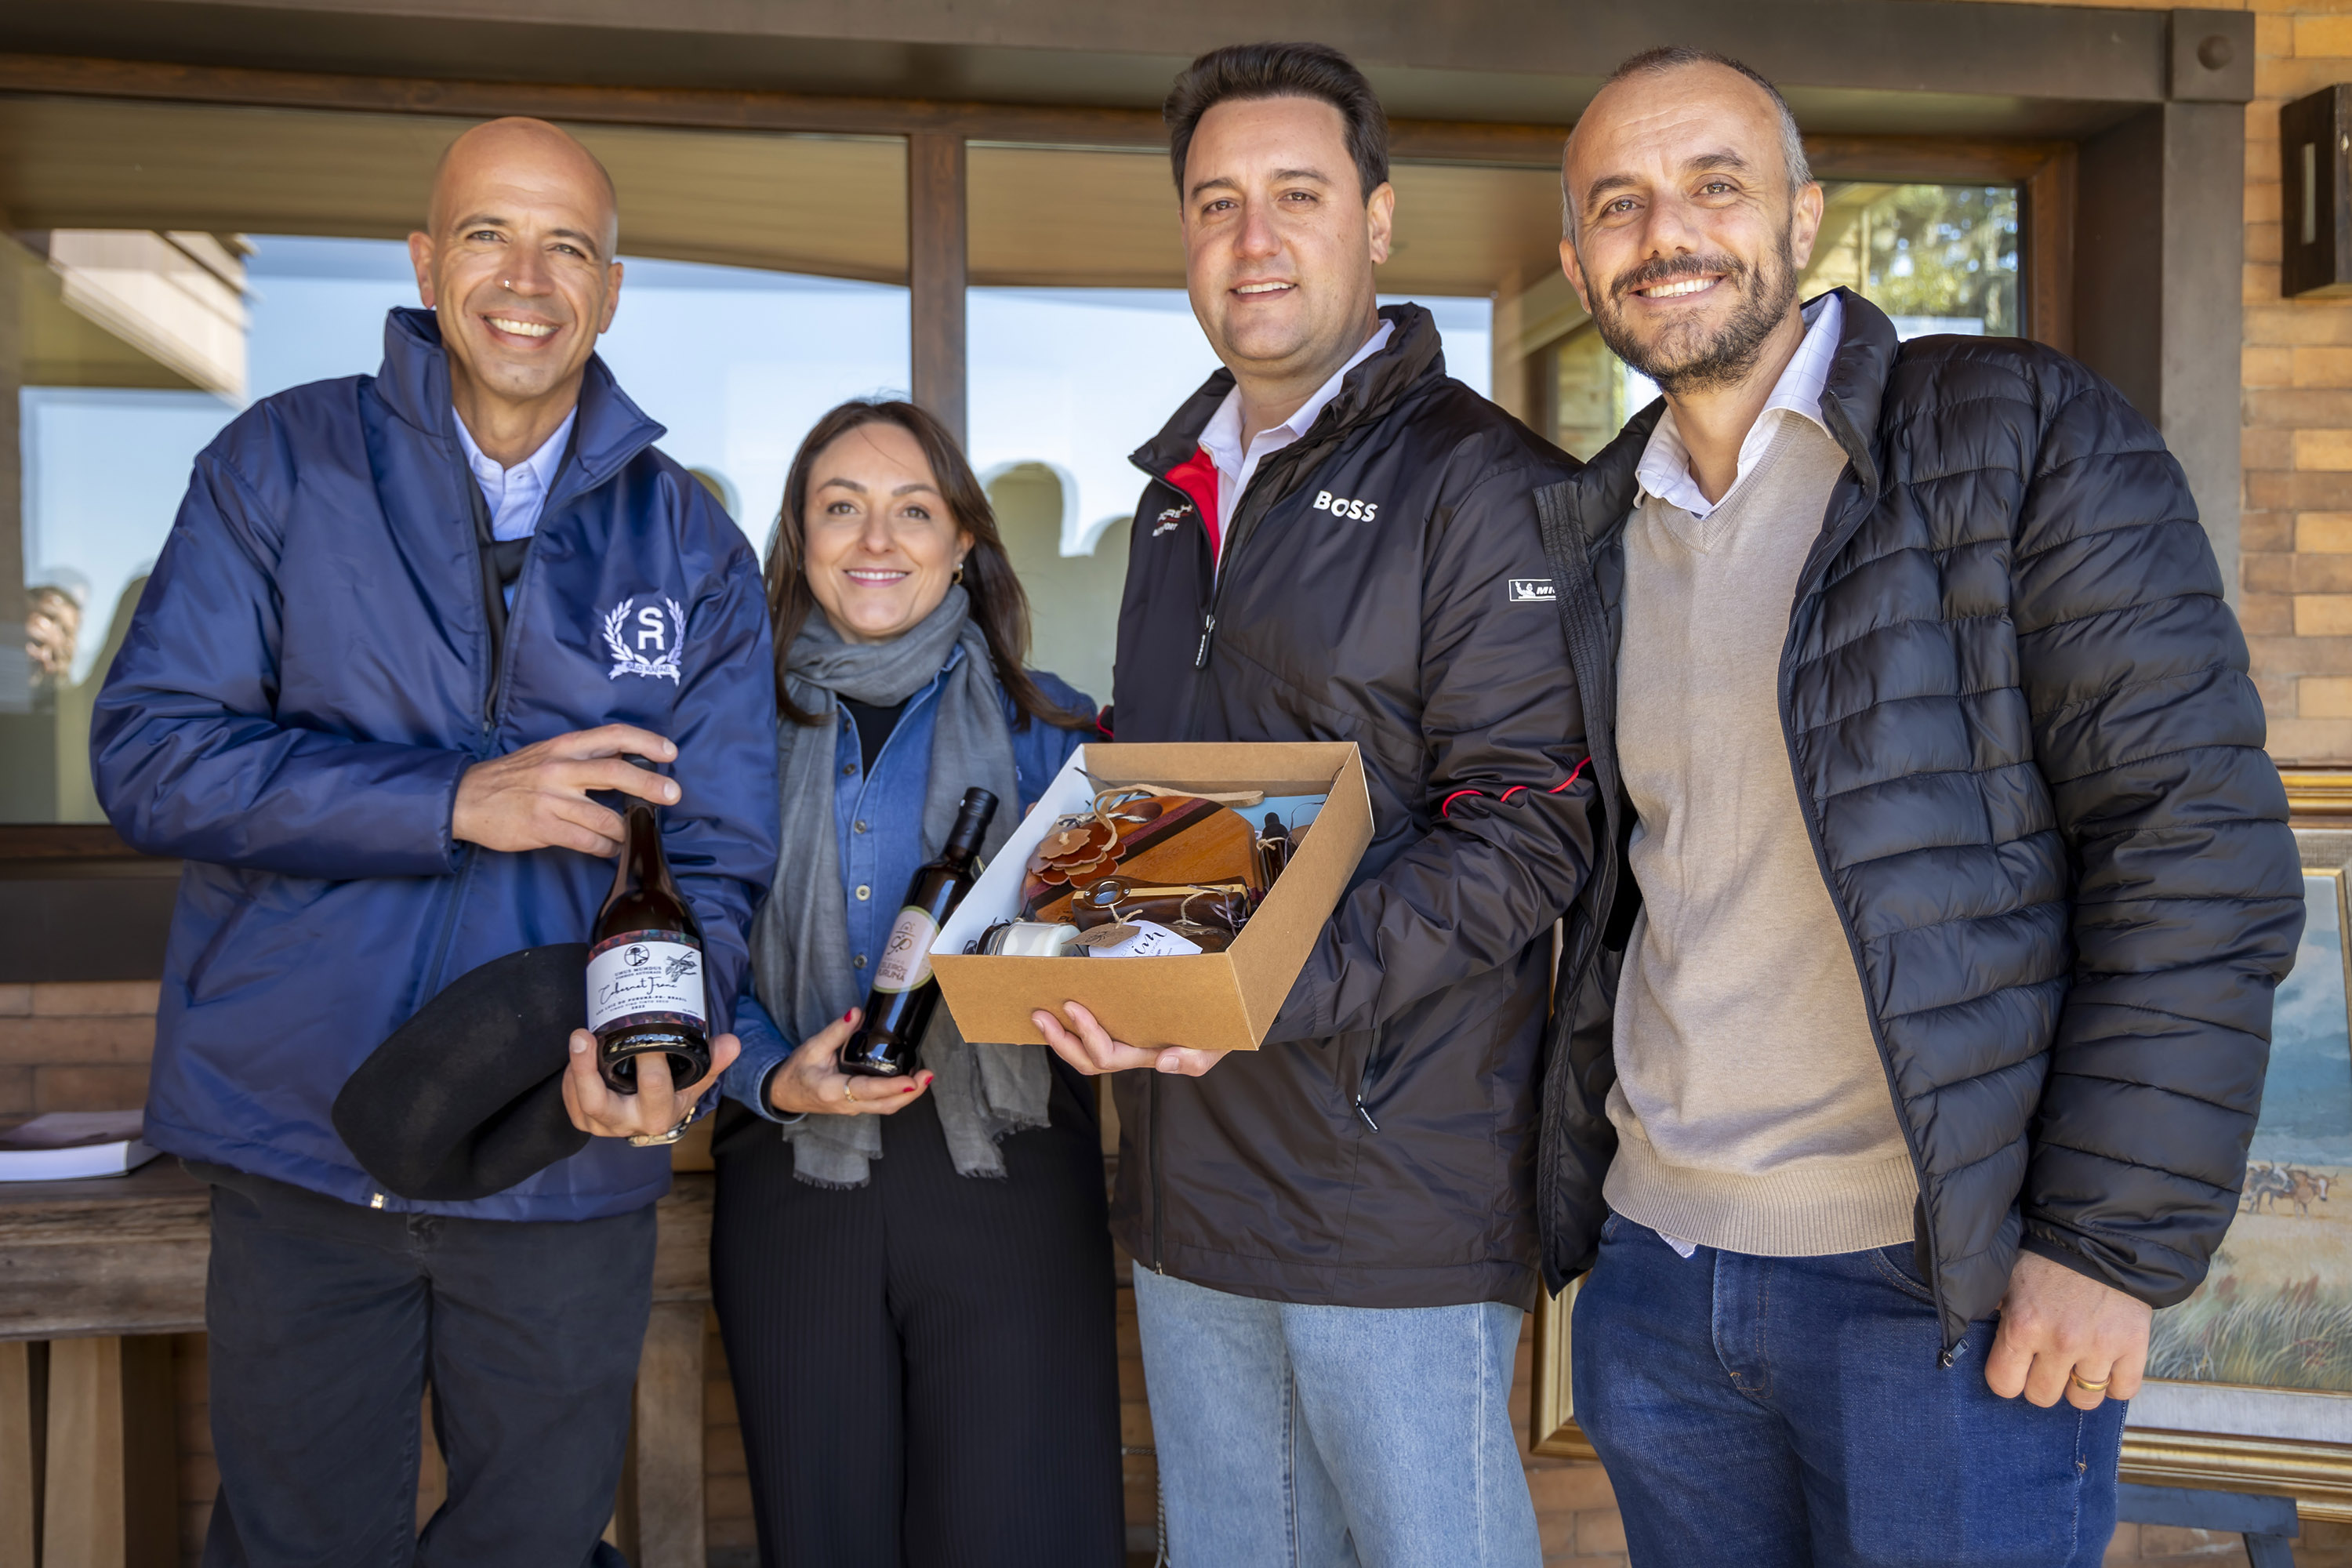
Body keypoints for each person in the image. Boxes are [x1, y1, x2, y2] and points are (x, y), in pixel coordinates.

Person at [1534, 48, 2304, 1566]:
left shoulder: (2020, 439)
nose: (1664, 231)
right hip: (1662, 1286)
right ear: (1576, 260)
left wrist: (2104, 1246)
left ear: (1804, 217)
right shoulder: (1593, 530)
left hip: (1942, 1296)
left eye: (1714, 184)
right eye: (1617, 203)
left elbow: (2192, 844)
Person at [91, 118, 778, 1566]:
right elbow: (150, 759)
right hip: (301, 1135)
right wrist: (451, 800)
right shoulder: (279, 465)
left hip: (559, 1152)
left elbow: (713, 866)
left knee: (532, 1546)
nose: (527, 277)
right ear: (424, 259)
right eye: (488, 234)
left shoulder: (691, 543)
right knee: (298, 1546)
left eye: (567, 246)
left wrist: (649, 1064)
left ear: (610, 285)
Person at [1032, 42, 1591, 1568]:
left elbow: (1524, 832)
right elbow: (1176, 810)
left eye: (1295, 194)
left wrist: (1247, 987)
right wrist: (1074, 947)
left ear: (1380, 218)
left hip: (1390, 1189)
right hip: (1188, 1173)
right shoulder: (1171, 500)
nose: (1253, 239)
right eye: (1216, 202)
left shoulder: (1484, 487)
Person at [709, 399, 1123, 1567]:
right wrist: (776, 1080)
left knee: (1021, 1533)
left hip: (1006, 1175)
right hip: (792, 1177)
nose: (875, 537)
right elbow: (690, 946)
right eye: (842, 508)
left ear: (963, 544)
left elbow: (1132, 946)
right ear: (800, 538)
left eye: (912, 509)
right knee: (822, 1531)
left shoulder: (1059, 735)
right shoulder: (725, 736)